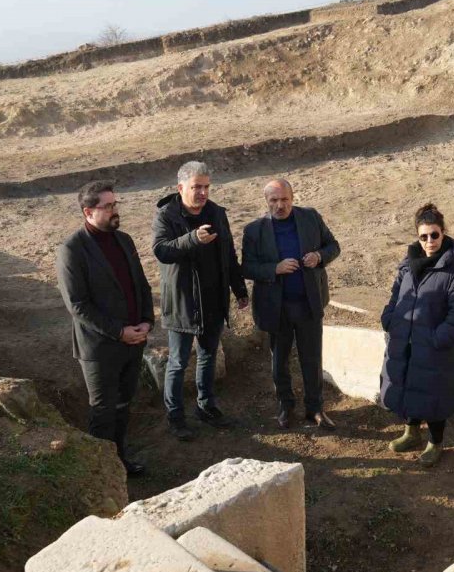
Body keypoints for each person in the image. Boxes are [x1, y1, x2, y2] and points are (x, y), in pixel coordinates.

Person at [56, 180, 154, 475]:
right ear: (88, 211)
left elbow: (142, 285)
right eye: (107, 206)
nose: (114, 211)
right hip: (100, 348)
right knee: (103, 411)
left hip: (134, 341)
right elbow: (78, 305)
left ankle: (120, 461)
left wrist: (147, 321)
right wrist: (119, 331)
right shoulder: (72, 250)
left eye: (115, 204)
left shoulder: (124, 240)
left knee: (124, 405)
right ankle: (99, 475)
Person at [152, 161, 249, 441]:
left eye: (206, 186)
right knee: (179, 362)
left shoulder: (216, 213)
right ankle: (176, 416)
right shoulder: (166, 215)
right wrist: (192, 239)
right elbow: (161, 251)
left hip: (213, 300)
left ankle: (206, 407)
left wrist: (239, 288)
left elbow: (228, 252)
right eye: (197, 187)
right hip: (183, 301)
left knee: (208, 355)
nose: (203, 192)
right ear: (181, 187)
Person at [242, 178, 341, 428]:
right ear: (266, 201)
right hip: (277, 308)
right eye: (274, 200)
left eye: (284, 199)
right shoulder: (253, 230)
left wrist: (319, 256)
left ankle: (315, 408)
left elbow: (334, 246)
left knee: (312, 358)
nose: (280, 205)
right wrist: (274, 268)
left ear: (292, 198)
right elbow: (247, 267)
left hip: (308, 303)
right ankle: (285, 406)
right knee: (280, 361)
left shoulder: (310, 218)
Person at [380, 203, 454, 467]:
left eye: (434, 235)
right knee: (407, 385)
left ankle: (435, 442)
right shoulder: (408, 265)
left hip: (434, 347)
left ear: (443, 233)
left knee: (434, 394)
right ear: (417, 237)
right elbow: (396, 295)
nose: (430, 241)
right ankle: (411, 433)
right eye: (424, 236)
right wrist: (389, 320)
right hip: (404, 340)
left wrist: (436, 339)